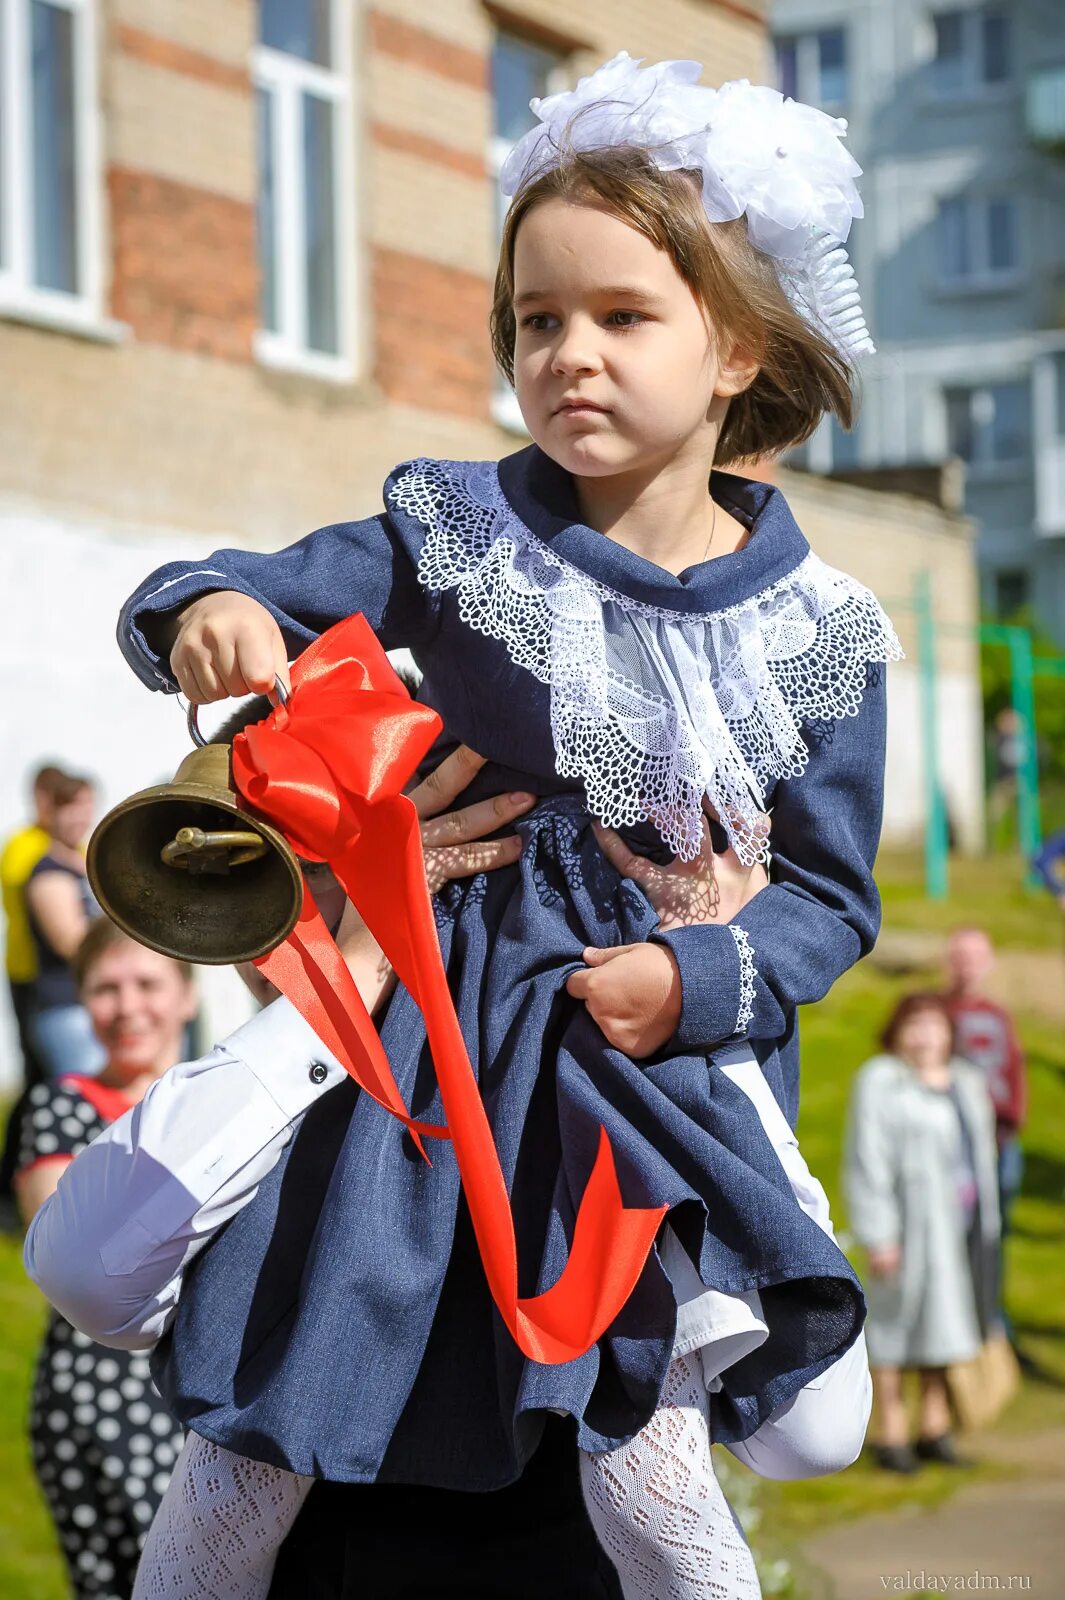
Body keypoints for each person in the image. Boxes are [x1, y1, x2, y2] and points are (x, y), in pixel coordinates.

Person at [40, 54, 895, 1597]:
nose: (567, 354)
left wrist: (697, 985)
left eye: (621, 316)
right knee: (277, 1405)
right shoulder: (461, 530)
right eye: (533, 320)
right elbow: (262, 580)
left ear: (734, 350)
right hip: (436, 1028)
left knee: (655, 1437)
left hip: (637, 1064)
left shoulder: (823, 630)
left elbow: (830, 900)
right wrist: (215, 612)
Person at [15, 919, 195, 1598]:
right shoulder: (63, 1106)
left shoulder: (217, 1100)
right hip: (104, 1389)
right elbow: (64, 1246)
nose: (127, 1007)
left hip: (202, 1382)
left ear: (184, 994)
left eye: (146, 983)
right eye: (105, 989)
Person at [843, 993, 1001, 1474]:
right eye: (915, 1025)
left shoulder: (967, 1083)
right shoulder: (881, 1082)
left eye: (934, 1025)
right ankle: (891, 1432)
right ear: (897, 1032)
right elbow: (866, 1160)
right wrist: (879, 1233)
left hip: (960, 1230)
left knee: (948, 1325)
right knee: (894, 1328)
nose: (925, 1035)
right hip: (905, 1229)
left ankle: (935, 1427)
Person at [24, 769, 104, 1078]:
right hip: (67, 1007)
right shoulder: (48, 872)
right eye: (70, 806)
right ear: (52, 812)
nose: (79, 816)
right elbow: (71, 943)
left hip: (95, 1004)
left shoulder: (87, 863)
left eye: (85, 805)